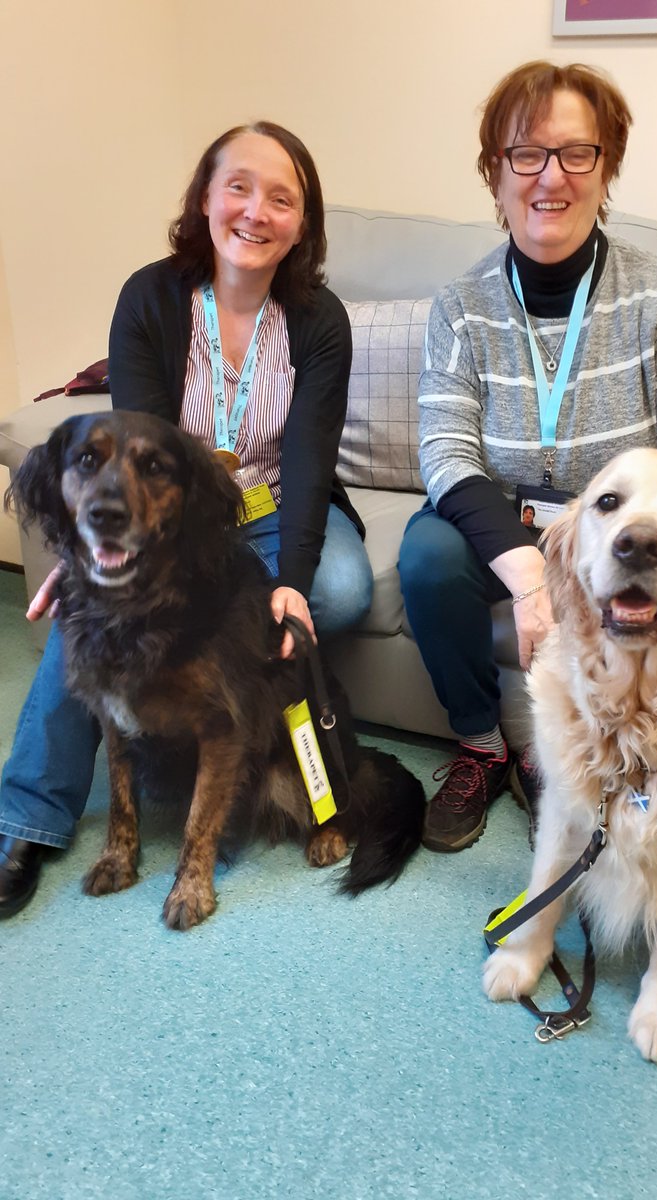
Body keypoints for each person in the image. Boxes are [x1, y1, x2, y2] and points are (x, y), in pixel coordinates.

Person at [0, 121, 373, 916]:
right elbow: (131, 449)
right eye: (237, 186)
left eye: (282, 198)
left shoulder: (319, 319)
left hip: (274, 506)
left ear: (301, 225)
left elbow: (310, 458)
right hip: (176, 513)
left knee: (337, 588)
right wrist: (93, 555)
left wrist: (294, 582)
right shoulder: (151, 296)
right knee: (90, 619)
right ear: (204, 197)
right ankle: (28, 818)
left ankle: (241, 715)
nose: (255, 211)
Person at [398, 61, 657, 854]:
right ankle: (483, 748)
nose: (550, 176)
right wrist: (527, 577)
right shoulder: (460, 304)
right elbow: (446, 452)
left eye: (575, 153)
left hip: (618, 524)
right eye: (527, 154)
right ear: (496, 173)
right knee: (424, 555)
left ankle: (601, 757)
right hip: (502, 516)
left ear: (605, 167)